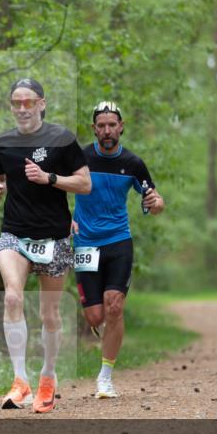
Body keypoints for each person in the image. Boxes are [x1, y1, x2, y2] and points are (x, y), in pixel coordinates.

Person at [0, 78, 91, 413]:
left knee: (49, 314)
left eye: (28, 102)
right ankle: (20, 382)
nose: (22, 109)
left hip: (54, 236)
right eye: (16, 103)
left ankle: (48, 377)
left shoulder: (62, 140)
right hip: (14, 234)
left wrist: (50, 178)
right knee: (13, 296)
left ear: (42, 104)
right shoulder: (2, 142)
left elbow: (85, 184)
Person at [71, 101, 164, 399]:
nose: (107, 130)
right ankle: (104, 329)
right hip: (85, 241)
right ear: (94, 129)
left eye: (112, 125)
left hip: (118, 241)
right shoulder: (80, 158)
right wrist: (64, 220)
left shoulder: (133, 163)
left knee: (114, 306)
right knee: (95, 317)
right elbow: (56, 186)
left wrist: (156, 203)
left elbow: (153, 196)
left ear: (121, 127)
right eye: (102, 125)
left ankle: (105, 377)